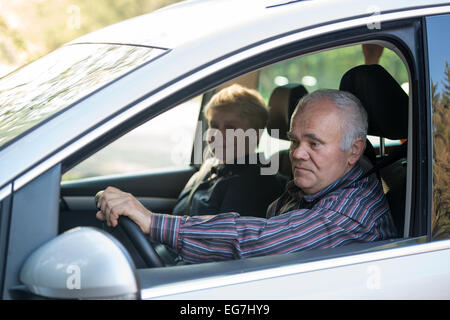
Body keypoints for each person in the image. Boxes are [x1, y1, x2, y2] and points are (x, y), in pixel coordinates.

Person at [96, 89, 397, 264]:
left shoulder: (348, 214)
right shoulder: (322, 185)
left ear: (354, 151)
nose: (297, 154)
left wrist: (151, 222)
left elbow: (254, 240)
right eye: (294, 141)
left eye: (314, 143)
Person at [172, 84, 285, 218]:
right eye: (213, 126)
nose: (217, 135)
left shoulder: (255, 185)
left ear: (254, 135)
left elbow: (218, 236)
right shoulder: (211, 166)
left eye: (230, 128)